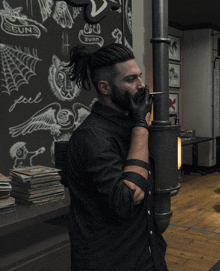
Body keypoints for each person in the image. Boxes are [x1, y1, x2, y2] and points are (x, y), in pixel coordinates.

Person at [65, 43, 168, 271]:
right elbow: (128, 199)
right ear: (105, 87)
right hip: (112, 261)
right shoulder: (91, 137)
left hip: (146, 254)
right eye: (130, 80)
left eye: (139, 77)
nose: (142, 86)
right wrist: (141, 126)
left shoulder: (128, 126)